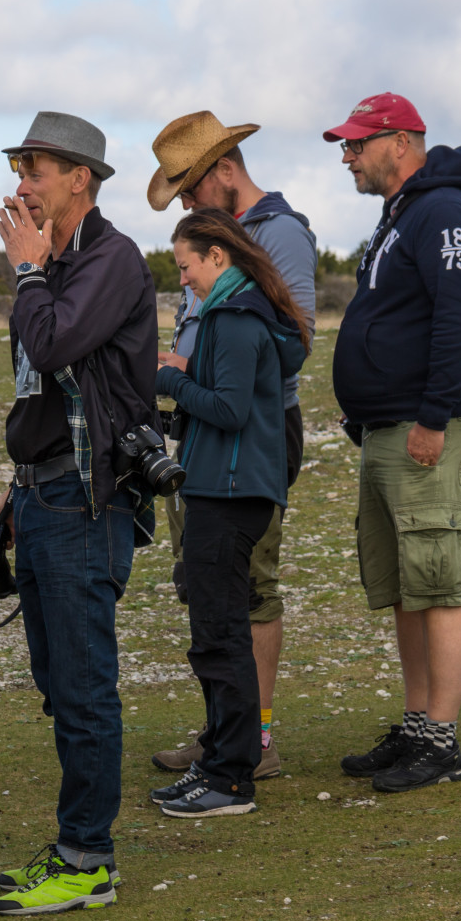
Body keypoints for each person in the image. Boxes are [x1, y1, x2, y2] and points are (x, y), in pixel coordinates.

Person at [0, 112, 160, 914]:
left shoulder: (110, 260)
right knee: (58, 680)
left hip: (89, 501)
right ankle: (78, 850)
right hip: (43, 493)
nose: (22, 184)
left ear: (80, 177)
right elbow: (38, 389)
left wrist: (25, 273)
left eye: (36, 169)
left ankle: (88, 859)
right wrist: (12, 484)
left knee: (85, 686)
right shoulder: (57, 263)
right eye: (19, 167)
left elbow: (51, 345)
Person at [323, 93, 461, 793]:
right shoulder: (400, 215)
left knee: (438, 583)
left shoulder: (444, 212)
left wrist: (433, 416)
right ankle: (419, 722)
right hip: (388, 430)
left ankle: (442, 740)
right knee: (405, 589)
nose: (347, 158)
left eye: (357, 144)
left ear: (400, 141)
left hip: (427, 430)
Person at [145, 112, 317, 781]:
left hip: (250, 435)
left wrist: (191, 376)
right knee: (211, 588)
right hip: (210, 433)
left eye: (190, 187)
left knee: (248, 586)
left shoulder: (279, 235)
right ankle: (227, 730)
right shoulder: (212, 246)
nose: (187, 201)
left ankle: (254, 740)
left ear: (225, 168)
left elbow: (293, 340)